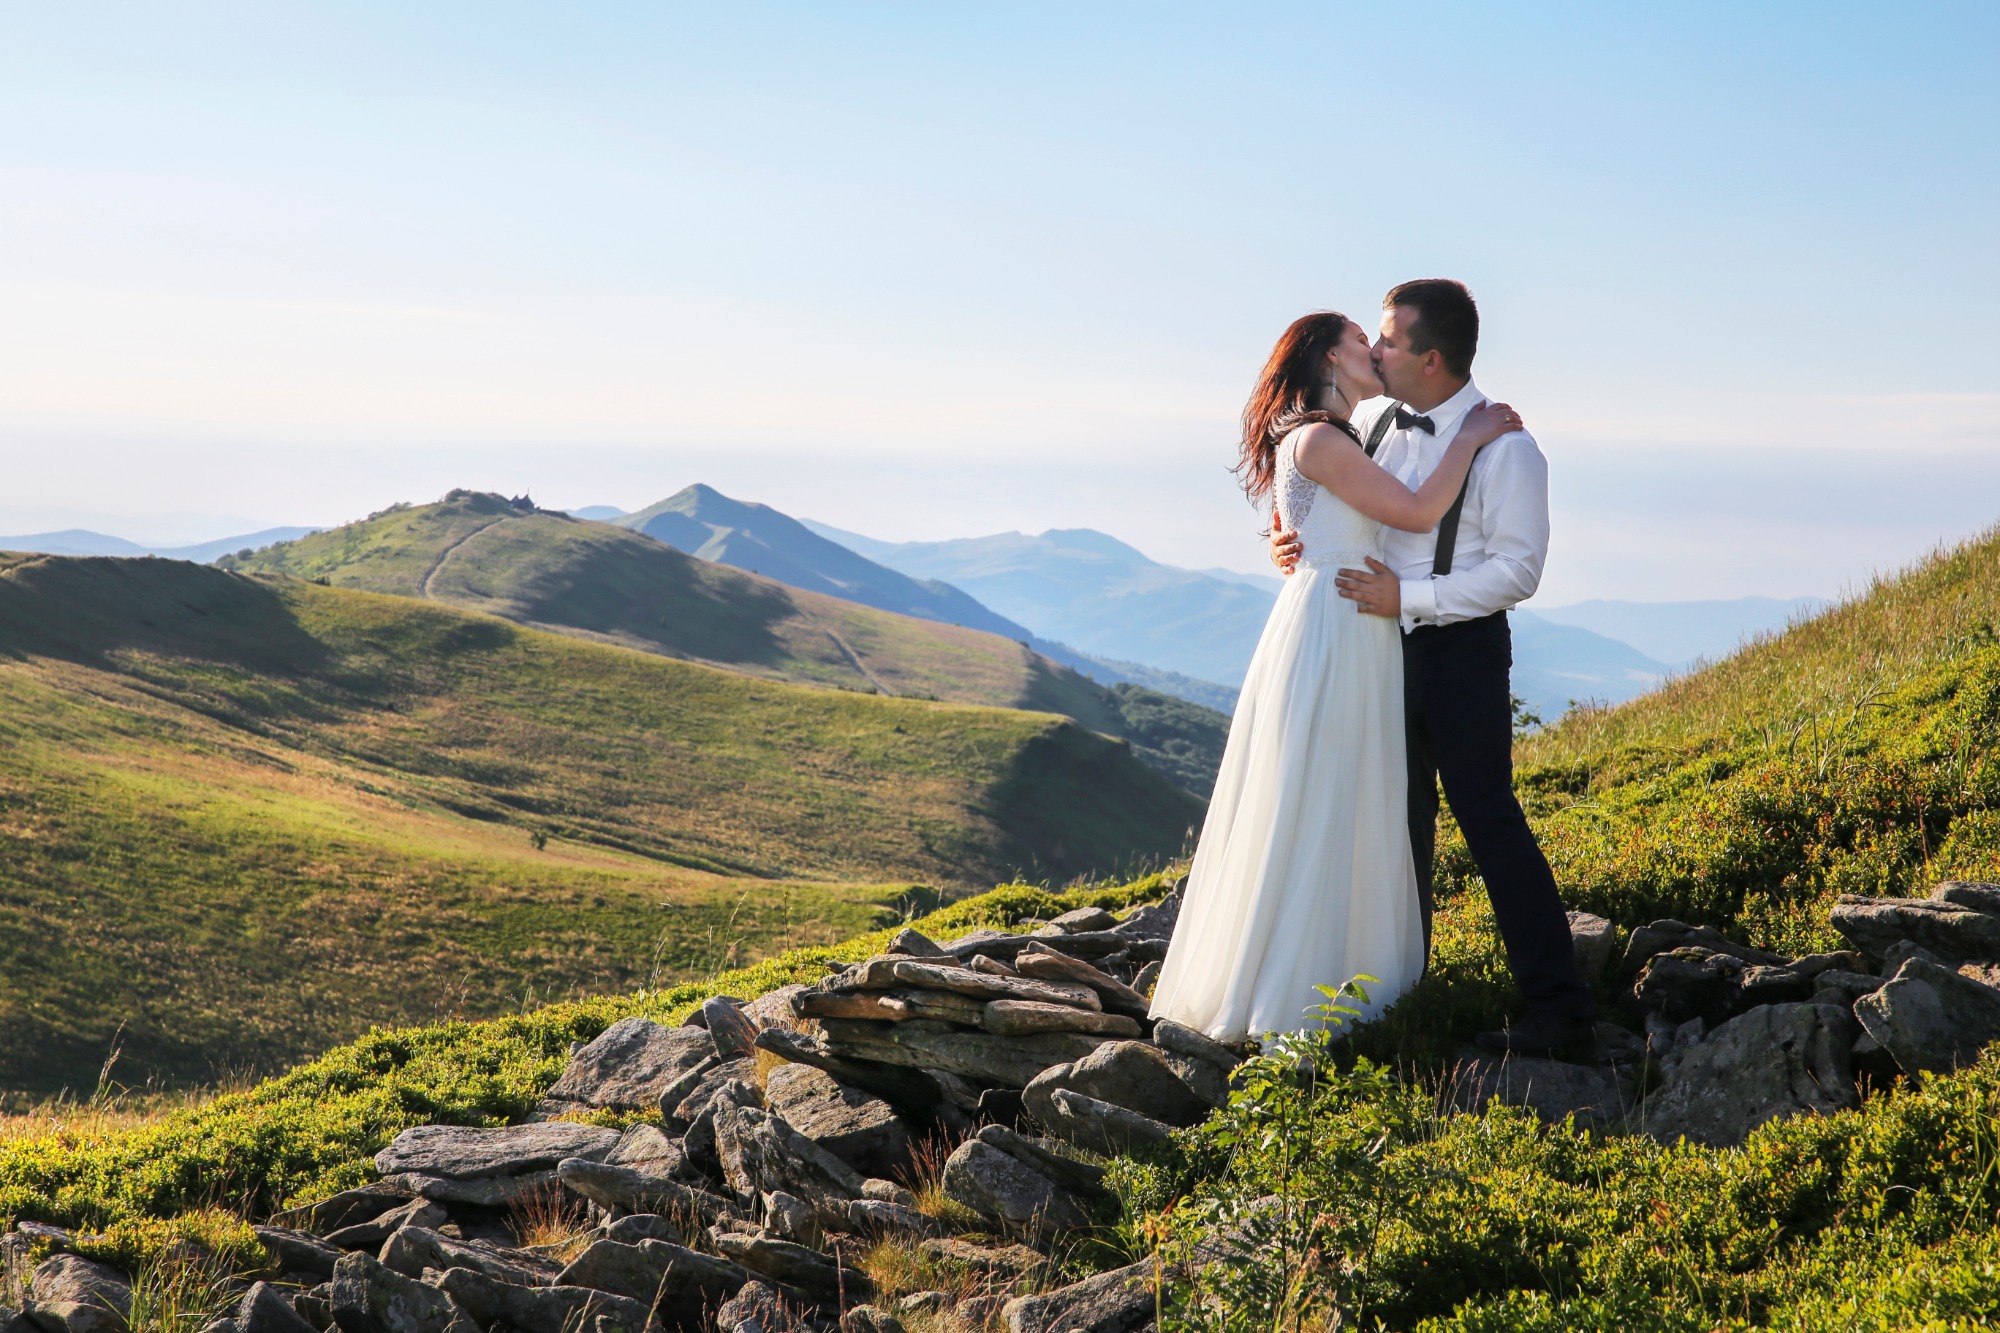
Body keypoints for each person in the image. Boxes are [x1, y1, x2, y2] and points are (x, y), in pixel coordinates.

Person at [1148, 309, 1524, 1041]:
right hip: (1338, 627)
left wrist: (1297, 546)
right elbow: (1416, 512)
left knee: (1338, 797)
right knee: (1325, 798)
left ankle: (1328, 970)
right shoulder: (1321, 436)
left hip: (1348, 623)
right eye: (1362, 340)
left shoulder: (1335, 436)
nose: (1375, 350)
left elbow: (1327, 526)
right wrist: (1473, 436)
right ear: (1328, 357)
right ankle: (1300, 990)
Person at [1270, 279, 1596, 1056]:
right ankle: (1400, 985)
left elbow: (1518, 572)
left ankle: (1559, 1006)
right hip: (1370, 648)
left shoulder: (1510, 449)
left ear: (1432, 357)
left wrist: (1408, 597)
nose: (1377, 351)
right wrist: (1293, 546)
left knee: (1488, 817)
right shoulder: (1373, 421)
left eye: (1388, 341)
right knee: (1393, 818)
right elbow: (1340, 505)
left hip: (1458, 651)